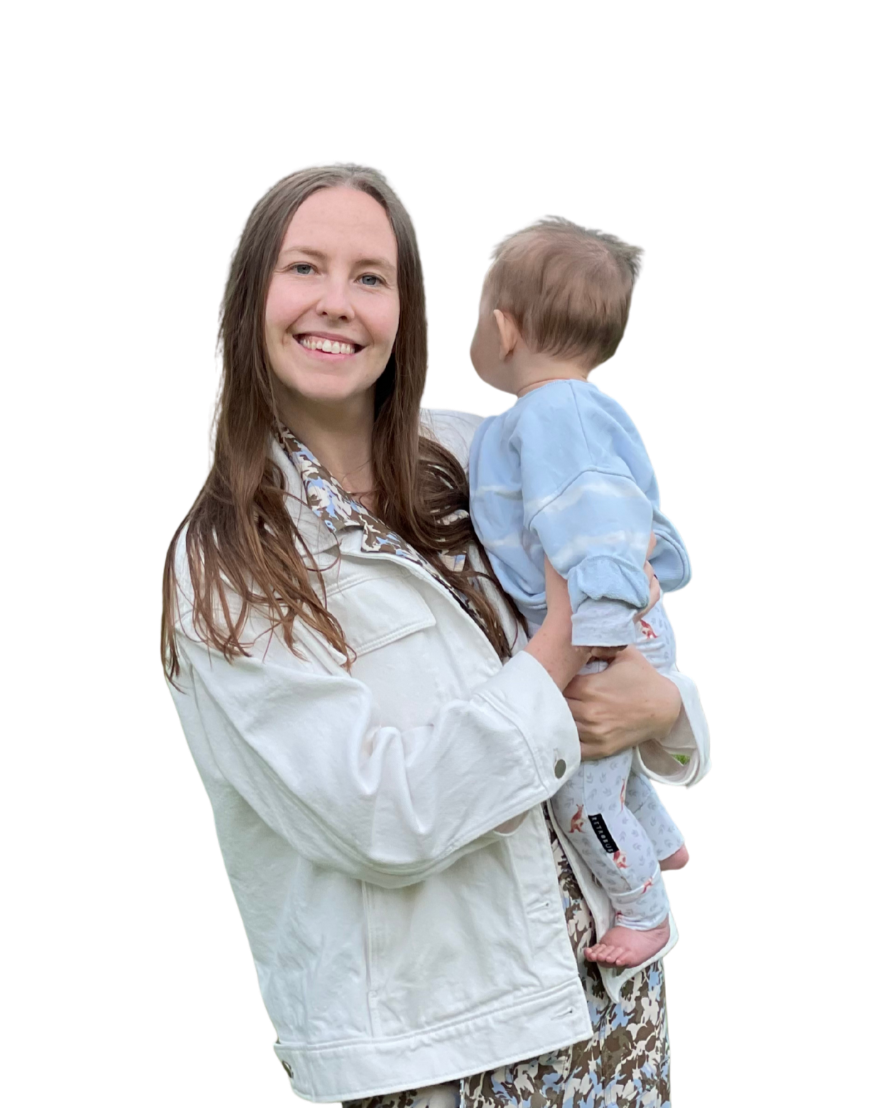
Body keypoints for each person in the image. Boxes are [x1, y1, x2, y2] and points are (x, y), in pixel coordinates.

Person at [159, 162, 711, 1107]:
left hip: (613, 1019)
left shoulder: (477, 456)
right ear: (247, 296)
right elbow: (381, 814)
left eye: (370, 277)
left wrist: (666, 705)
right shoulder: (227, 564)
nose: (337, 303)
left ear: (407, 311)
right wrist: (561, 652)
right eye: (305, 268)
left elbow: (631, 599)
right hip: (450, 1062)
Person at [467, 222, 693, 969]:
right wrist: (662, 570)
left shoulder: (550, 416)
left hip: (603, 637)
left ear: (502, 328)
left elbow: (590, 525)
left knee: (584, 801)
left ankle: (644, 913)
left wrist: (590, 639)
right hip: (630, 622)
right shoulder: (600, 409)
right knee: (621, 769)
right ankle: (663, 849)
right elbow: (642, 511)